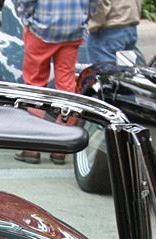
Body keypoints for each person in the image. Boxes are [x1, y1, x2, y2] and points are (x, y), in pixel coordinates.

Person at [14, 0, 97, 164]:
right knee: (66, 87)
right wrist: (84, 18)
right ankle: (60, 146)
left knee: (35, 87)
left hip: (41, 28)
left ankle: (32, 147)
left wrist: (25, 18)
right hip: (72, 29)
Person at [86, 0, 140, 66]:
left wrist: (94, 24)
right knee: (126, 72)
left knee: (105, 73)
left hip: (108, 28)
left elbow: (100, 3)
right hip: (129, 26)